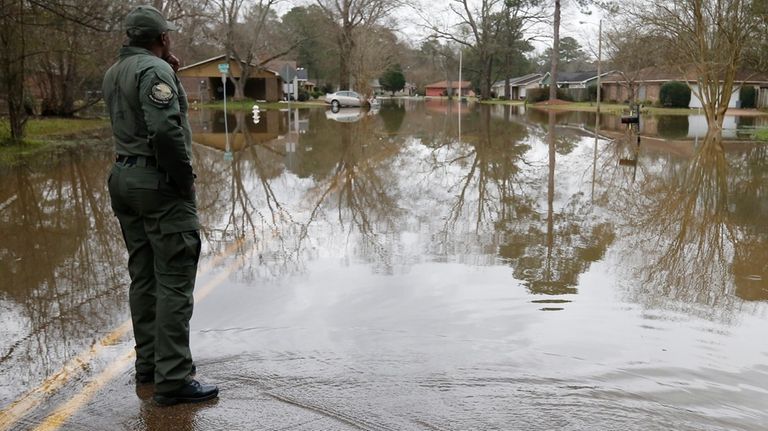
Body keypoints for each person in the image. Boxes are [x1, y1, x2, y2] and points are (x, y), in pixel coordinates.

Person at [102, 5, 218, 406]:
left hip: (123, 177)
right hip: (157, 182)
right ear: (163, 37)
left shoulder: (116, 71)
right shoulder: (155, 72)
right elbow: (165, 131)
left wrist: (166, 66)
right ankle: (173, 379)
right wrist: (183, 179)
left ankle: (149, 366)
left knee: (145, 275)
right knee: (174, 278)